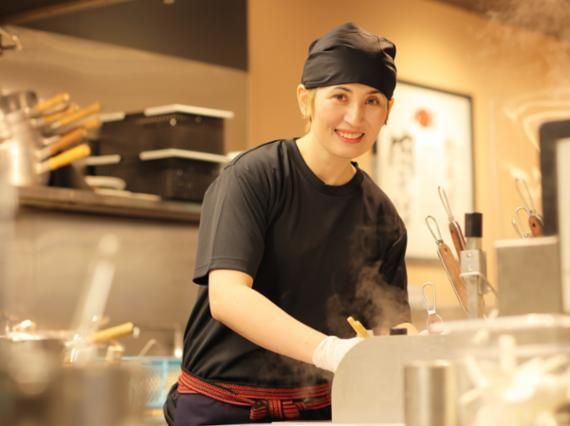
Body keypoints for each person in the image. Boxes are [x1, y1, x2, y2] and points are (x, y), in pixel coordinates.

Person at [164, 22, 411, 425]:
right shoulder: (253, 178)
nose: (355, 116)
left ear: (388, 112)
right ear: (305, 100)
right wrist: (330, 351)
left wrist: (415, 347)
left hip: (323, 410)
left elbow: (390, 325)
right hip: (223, 410)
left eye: (372, 101)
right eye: (340, 96)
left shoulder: (383, 216)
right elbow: (227, 297)